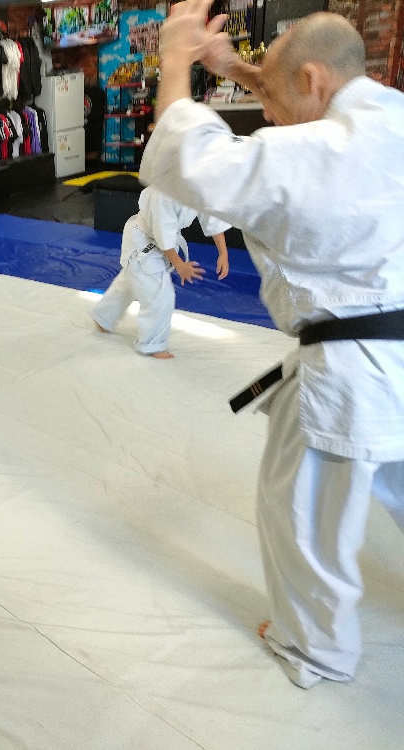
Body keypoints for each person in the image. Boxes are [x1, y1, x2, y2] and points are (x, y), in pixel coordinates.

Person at [144, 3, 404, 688]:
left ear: (314, 80)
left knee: (303, 518)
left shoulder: (316, 151)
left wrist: (176, 61)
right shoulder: (390, 120)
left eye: (275, 95)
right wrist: (239, 70)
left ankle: (317, 648)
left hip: (350, 370)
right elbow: (299, 96)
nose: (269, 113)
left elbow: (187, 163)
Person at [91, 184, 230, 358]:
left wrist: (223, 253)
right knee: (160, 294)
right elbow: (163, 236)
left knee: (132, 280)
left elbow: (212, 218)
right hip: (143, 241)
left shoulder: (201, 186)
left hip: (160, 240)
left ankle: (103, 316)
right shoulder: (162, 193)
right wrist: (180, 265)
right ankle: (152, 344)